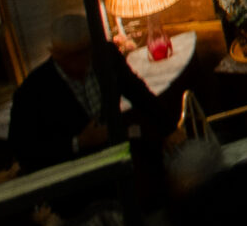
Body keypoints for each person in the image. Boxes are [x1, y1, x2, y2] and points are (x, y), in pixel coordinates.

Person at [9, 13, 163, 176]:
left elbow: (139, 93)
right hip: (76, 177)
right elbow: (24, 151)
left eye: (84, 53)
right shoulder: (33, 91)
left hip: (120, 160)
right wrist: (77, 143)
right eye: (70, 57)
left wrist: (167, 128)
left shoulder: (106, 56)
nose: (79, 62)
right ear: (56, 55)